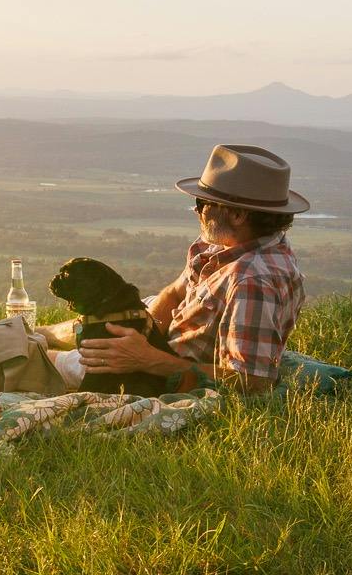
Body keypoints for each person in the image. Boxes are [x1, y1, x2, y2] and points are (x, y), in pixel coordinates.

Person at [77, 144, 307, 395]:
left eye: (202, 202)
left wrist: (146, 359)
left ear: (238, 215)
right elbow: (175, 293)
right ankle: (39, 335)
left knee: (40, 362)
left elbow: (251, 382)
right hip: (156, 349)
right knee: (76, 331)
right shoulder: (224, 244)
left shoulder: (253, 281)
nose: (197, 211)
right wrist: (143, 335)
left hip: (162, 377)